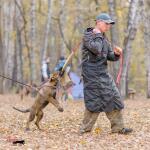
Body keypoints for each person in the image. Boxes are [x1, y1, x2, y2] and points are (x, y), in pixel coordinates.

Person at [79, 13, 133, 135]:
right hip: (91, 75)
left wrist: (117, 54)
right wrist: (98, 34)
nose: (108, 26)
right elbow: (96, 49)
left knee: (114, 98)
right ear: (98, 22)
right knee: (94, 102)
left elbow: (110, 56)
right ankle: (84, 130)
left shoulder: (104, 38)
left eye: (110, 24)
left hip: (103, 74)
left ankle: (118, 128)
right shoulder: (89, 36)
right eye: (106, 23)